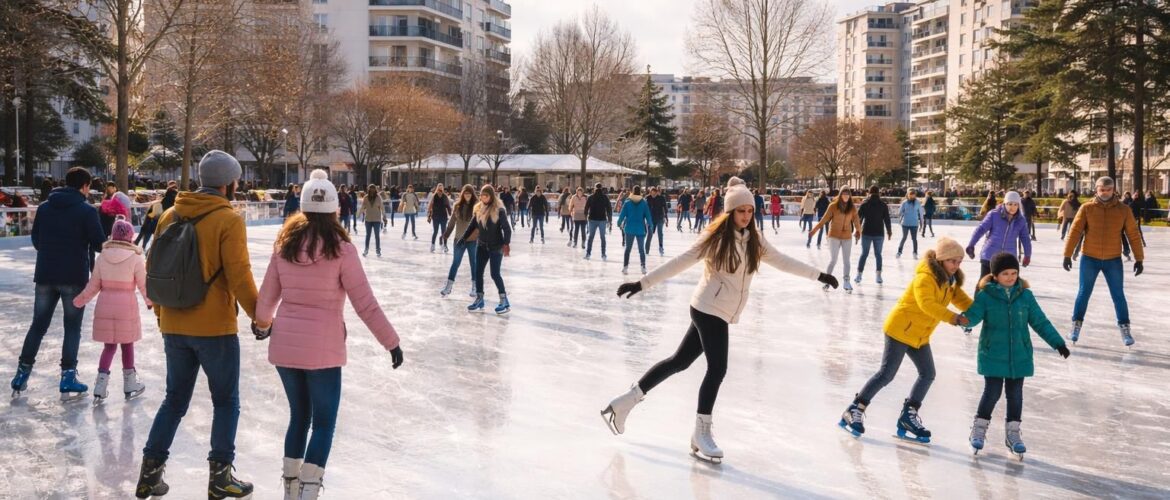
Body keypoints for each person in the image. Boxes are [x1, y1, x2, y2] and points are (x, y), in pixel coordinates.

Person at [603, 177, 837, 464]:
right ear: (730, 212)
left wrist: (819, 275)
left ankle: (624, 403)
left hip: (716, 310)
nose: (746, 216)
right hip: (708, 309)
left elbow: (783, 261)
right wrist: (641, 284)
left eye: (750, 211)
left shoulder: (754, 240)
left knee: (679, 361)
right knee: (717, 369)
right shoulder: (715, 238)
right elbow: (679, 262)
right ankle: (701, 432)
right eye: (741, 211)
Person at [254, 169, 405, 500]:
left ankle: (291, 490)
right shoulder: (342, 250)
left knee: (299, 418)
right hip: (323, 351)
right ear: (335, 209)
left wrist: (262, 325)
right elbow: (366, 304)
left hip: (286, 348)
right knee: (323, 423)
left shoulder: (284, 246)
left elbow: (266, 299)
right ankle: (307, 492)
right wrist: (391, 342)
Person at [136, 150, 259, 499]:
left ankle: (149, 475)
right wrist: (260, 316)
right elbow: (239, 275)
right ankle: (220, 478)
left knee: (174, 400)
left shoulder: (170, 214)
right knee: (226, 401)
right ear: (228, 184)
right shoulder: (228, 220)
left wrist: (162, 315)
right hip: (215, 328)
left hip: (174, 324)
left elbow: (154, 269)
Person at [838, 237, 972, 443]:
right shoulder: (925, 278)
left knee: (928, 374)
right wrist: (954, 318)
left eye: (959, 261)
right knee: (886, 374)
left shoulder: (949, 281)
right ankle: (855, 408)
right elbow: (927, 304)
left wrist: (983, 311)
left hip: (919, 335)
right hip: (900, 330)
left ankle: (908, 417)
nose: (956, 265)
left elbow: (963, 301)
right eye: (952, 261)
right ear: (941, 259)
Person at [10, 167, 106, 400]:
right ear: (84, 186)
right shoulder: (86, 210)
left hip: (45, 274)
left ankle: (22, 374)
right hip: (74, 277)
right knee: (72, 327)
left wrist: (50, 254)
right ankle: (68, 376)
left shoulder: (45, 207)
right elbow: (99, 244)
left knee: (38, 325)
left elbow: (36, 239)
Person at [962, 252, 1070, 458]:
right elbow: (973, 317)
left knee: (1015, 395)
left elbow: (1040, 322)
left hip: (1019, 355)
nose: (1011, 277)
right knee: (992, 393)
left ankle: (1013, 434)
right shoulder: (985, 296)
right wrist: (961, 319)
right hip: (993, 354)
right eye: (1005, 274)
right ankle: (979, 429)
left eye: (1014, 273)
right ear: (995, 276)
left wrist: (1058, 343)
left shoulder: (1025, 296)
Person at [71, 216, 150, 404]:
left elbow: (93, 285)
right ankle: (130, 383)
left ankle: (100, 386)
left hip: (105, 306)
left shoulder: (102, 257)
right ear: (130, 236)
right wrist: (151, 302)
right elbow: (144, 285)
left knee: (109, 347)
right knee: (127, 345)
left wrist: (79, 301)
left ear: (113, 235)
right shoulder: (135, 257)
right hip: (126, 308)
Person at [1062, 176, 1144, 346]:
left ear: (1113, 190)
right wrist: (1067, 255)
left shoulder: (1123, 210)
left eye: (1108, 190)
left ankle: (1125, 329)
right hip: (1089, 258)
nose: (1105, 193)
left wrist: (1139, 259)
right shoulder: (1087, 208)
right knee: (1084, 293)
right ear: (1096, 190)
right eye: (1102, 190)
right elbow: (1075, 231)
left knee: (1118, 295)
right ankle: (1075, 327)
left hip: (1113, 260)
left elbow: (1133, 234)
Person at [456, 185, 513, 314]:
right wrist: (463, 238)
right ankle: (479, 299)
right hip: (481, 246)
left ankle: (504, 300)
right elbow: (472, 226)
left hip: (496, 247)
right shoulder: (478, 209)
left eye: (486, 195)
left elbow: (507, 229)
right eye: (481, 195)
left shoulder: (499, 210)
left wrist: (506, 244)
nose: (483, 198)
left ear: (491, 196)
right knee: (478, 273)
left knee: (495, 274)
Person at [966, 191, 1033, 278]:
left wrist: (1027, 255)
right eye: (1010, 204)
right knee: (985, 283)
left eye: (1015, 204)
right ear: (1005, 203)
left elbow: (1025, 238)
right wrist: (971, 245)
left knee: (1006, 283)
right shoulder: (994, 215)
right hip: (989, 256)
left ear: (1018, 206)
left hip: (1008, 258)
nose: (1012, 207)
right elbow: (981, 229)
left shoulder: (1021, 220)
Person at [810, 188, 861, 293]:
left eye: (848, 194)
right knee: (833, 259)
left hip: (847, 237)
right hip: (834, 236)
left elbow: (856, 221)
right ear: (840, 194)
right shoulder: (833, 206)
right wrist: (814, 230)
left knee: (846, 261)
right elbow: (824, 219)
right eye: (844, 194)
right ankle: (827, 281)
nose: (846, 196)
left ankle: (846, 281)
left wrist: (858, 231)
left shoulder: (852, 208)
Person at [440, 185, 479, 298]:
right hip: (459, 239)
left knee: (473, 263)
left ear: (472, 194)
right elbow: (452, 222)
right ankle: (448, 286)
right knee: (455, 263)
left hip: (472, 240)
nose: (467, 195)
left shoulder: (477, 206)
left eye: (469, 193)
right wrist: (446, 234)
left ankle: (475, 287)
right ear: (462, 194)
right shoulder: (457, 206)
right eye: (466, 193)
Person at [856, 186, 892, 285]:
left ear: (869, 192)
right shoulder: (883, 205)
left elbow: (859, 218)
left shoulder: (865, 204)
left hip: (866, 232)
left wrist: (857, 230)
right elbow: (887, 219)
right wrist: (889, 231)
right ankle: (878, 275)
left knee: (864, 254)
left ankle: (859, 275)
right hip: (879, 233)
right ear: (879, 193)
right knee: (878, 254)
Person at [617, 186, 653, 275]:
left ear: (632, 192)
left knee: (628, 249)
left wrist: (619, 223)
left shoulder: (627, 202)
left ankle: (625, 267)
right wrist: (650, 224)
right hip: (640, 229)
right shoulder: (644, 203)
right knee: (641, 249)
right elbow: (648, 215)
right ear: (640, 192)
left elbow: (622, 215)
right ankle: (643, 267)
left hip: (629, 229)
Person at [584, 183, 612, 261]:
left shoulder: (591, 197)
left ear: (594, 188)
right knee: (602, 237)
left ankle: (588, 253)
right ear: (601, 188)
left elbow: (586, 208)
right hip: (601, 220)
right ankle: (603, 254)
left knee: (591, 237)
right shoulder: (604, 197)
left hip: (593, 219)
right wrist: (610, 220)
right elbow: (609, 209)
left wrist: (586, 217)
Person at [357, 185, 386, 257]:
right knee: (368, 235)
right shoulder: (366, 197)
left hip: (377, 219)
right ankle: (366, 249)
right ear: (369, 190)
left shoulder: (378, 197)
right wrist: (358, 214)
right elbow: (362, 207)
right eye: (371, 189)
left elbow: (382, 208)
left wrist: (384, 216)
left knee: (377, 235)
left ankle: (378, 250)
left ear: (375, 190)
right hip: (368, 219)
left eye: (373, 189)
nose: (372, 190)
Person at [896, 190, 924, 259]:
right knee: (904, 238)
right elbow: (899, 212)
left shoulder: (917, 203)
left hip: (914, 224)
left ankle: (915, 252)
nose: (911, 196)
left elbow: (921, 214)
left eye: (913, 195)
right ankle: (899, 252)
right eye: (910, 195)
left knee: (914, 239)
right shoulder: (904, 203)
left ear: (915, 195)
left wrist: (921, 223)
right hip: (905, 223)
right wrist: (901, 214)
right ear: (908, 195)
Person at [645, 186, 669, 257]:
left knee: (660, 233)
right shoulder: (648, 198)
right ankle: (647, 249)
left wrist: (666, 217)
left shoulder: (661, 198)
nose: (653, 195)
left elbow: (665, 208)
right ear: (650, 193)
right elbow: (644, 209)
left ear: (656, 193)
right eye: (651, 193)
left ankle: (661, 247)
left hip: (660, 218)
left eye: (654, 193)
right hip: (651, 219)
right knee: (650, 234)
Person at [427, 183, 451, 253]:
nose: (440, 190)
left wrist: (450, 213)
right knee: (435, 231)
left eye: (441, 188)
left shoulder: (444, 196)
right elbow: (430, 206)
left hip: (443, 217)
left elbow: (448, 206)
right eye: (439, 188)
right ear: (437, 189)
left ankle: (445, 245)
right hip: (436, 217)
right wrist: (429, 215)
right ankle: (433, 245)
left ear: (442, 189)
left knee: (444, 232)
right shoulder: (434, 196)